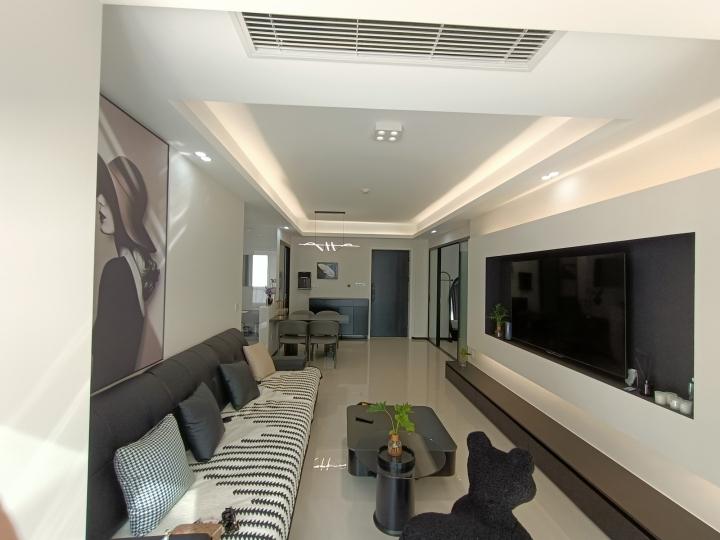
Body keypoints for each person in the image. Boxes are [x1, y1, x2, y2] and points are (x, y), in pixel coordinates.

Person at [92, 155, 159, 391]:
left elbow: (102, 351)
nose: (99, 200)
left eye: (108, 193)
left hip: (103, 391)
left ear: (123, 205)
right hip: (117, 389)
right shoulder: (134, 270)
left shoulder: (117, 271)